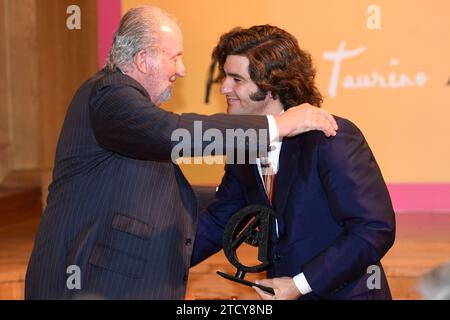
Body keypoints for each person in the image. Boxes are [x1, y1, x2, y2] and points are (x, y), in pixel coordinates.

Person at [25, 6, 337, 300]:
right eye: (175, 57)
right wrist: (276, 127)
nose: (182, 70)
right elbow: (176, 134)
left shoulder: (126, 113)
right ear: (144, 58)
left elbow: (159, 195)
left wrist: (242, 192)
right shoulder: (109, 93)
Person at [191, 25, 396, 300]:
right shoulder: (244, 145)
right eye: (225, 77)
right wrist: (155, 262)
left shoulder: (330, 138)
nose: (224, 87)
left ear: (271, 87)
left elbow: (373, 229)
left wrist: (299, 284)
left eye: (236, 79)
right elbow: (219, 222)